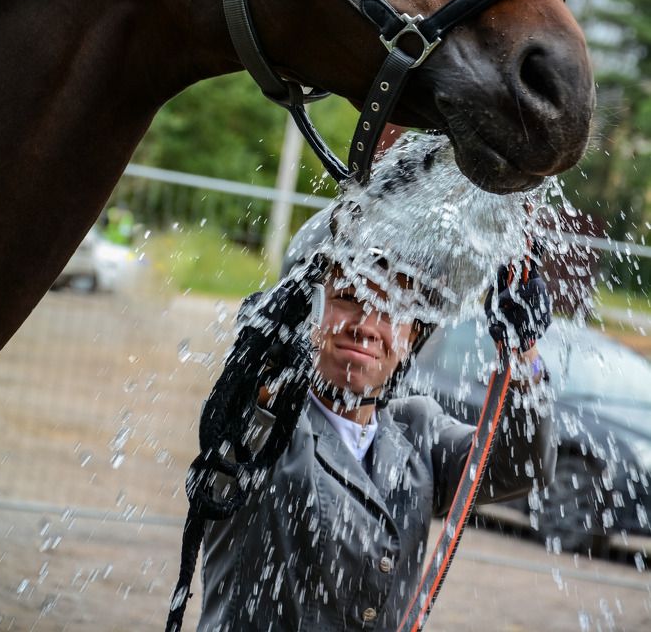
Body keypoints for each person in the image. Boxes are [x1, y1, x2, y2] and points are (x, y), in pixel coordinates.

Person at [196, 198, 555, 632]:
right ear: (308, 312)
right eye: (348, 298)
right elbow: (243, 403)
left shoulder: (418, 432)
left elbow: (523, 466)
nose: (366, 324)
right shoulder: (266, 425)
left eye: (393, 310)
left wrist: (524, 352)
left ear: (412, 337)